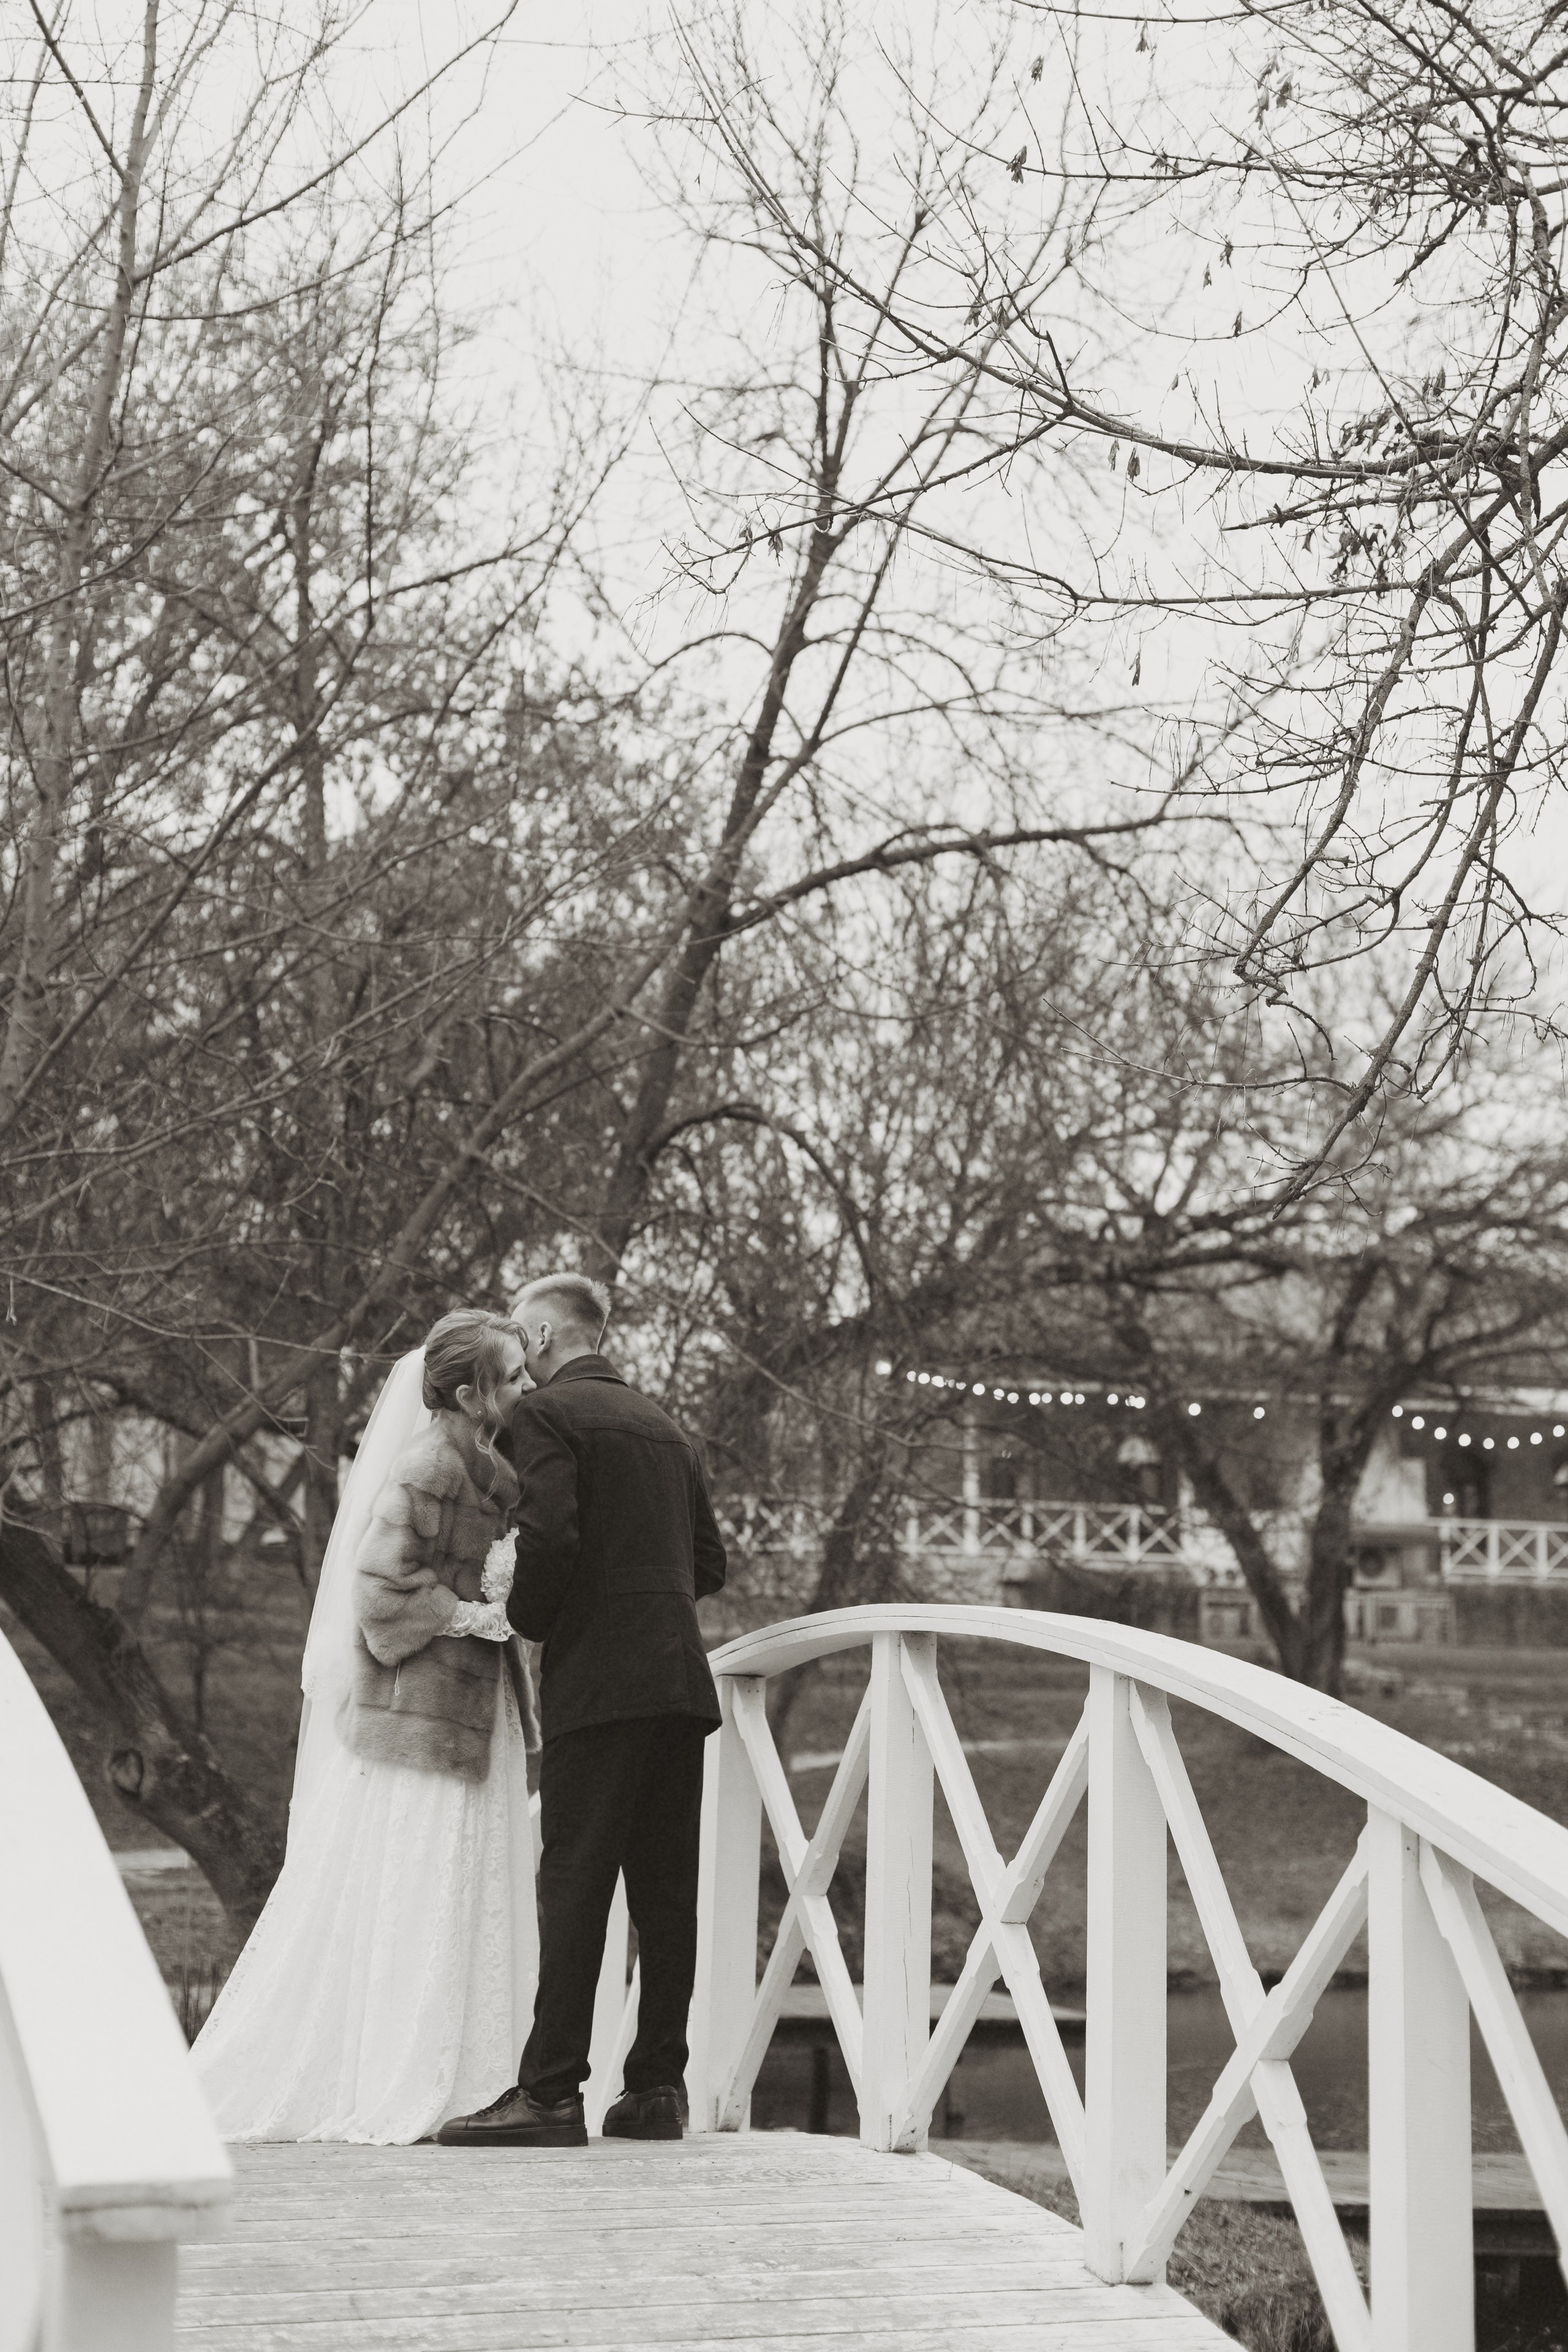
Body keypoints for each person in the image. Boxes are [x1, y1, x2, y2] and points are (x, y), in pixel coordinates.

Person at [192, 1310, 541, 2143]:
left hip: (471, 1710)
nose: (530, 1387)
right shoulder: (428, 1468)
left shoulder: (488, 1466)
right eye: (516, 1376)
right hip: (422, 1716)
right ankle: (402, 2071)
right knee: (420, 1879)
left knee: (468, 1880)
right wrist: (475, 1615)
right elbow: (382, 1596)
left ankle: (475, 2072)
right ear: (470, 1391)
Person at [437, 1272, 727, 2148]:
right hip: (679, 1682)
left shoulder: (546, 1418)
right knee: (666, 1893)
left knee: (574, 1883)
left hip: (600, 1682)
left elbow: (552, 1537)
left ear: (547, 1335)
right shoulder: (664, 1425)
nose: (518, 1360)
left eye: (523, 1341)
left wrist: (528, 1617)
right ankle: (657, 2089)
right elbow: (708, 1564)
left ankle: (552, 2090)